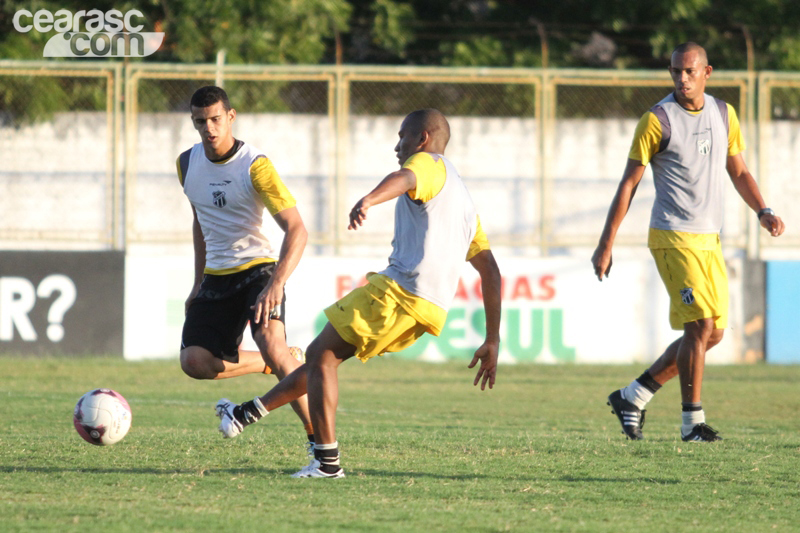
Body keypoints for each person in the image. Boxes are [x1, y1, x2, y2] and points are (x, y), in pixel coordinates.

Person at [214, 108, 503, 478]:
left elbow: (404, 177)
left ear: (423, 139)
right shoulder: (462, 200)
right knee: (324, 358)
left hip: (400, 293)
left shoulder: (428, 163)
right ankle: (245, 414)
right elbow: (490, 271)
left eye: (402, 136)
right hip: (429, 310)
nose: (397, 146)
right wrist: (492, 338)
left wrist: (369, 199)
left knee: (320, 355)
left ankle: (326, 463)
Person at [592, 42, 785, 442]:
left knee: (712, 333)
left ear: (707, 72)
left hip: (709, 240)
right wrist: (605, 244)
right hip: (672, 237)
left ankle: (633, 396)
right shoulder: (657, 120)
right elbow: (628, 184)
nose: (682, 79)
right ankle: (691, 424)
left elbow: (739, 171)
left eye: (690, 71)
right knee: (700, 325)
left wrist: (762, 210)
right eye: (676, 71)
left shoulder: (723, 113)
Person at [177, 85, 315, 452]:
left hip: (258, 270)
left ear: (231, 116)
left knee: (271, 343)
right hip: (217, 276)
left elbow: (297, 229)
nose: (209, 128)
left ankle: (318, 441)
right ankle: (275, 364)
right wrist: (197, 283)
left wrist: (276, 284)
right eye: (200, 122)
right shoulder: (186, 164)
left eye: (215, 119)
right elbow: (201, 222)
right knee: (194, 362)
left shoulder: (256, 166)